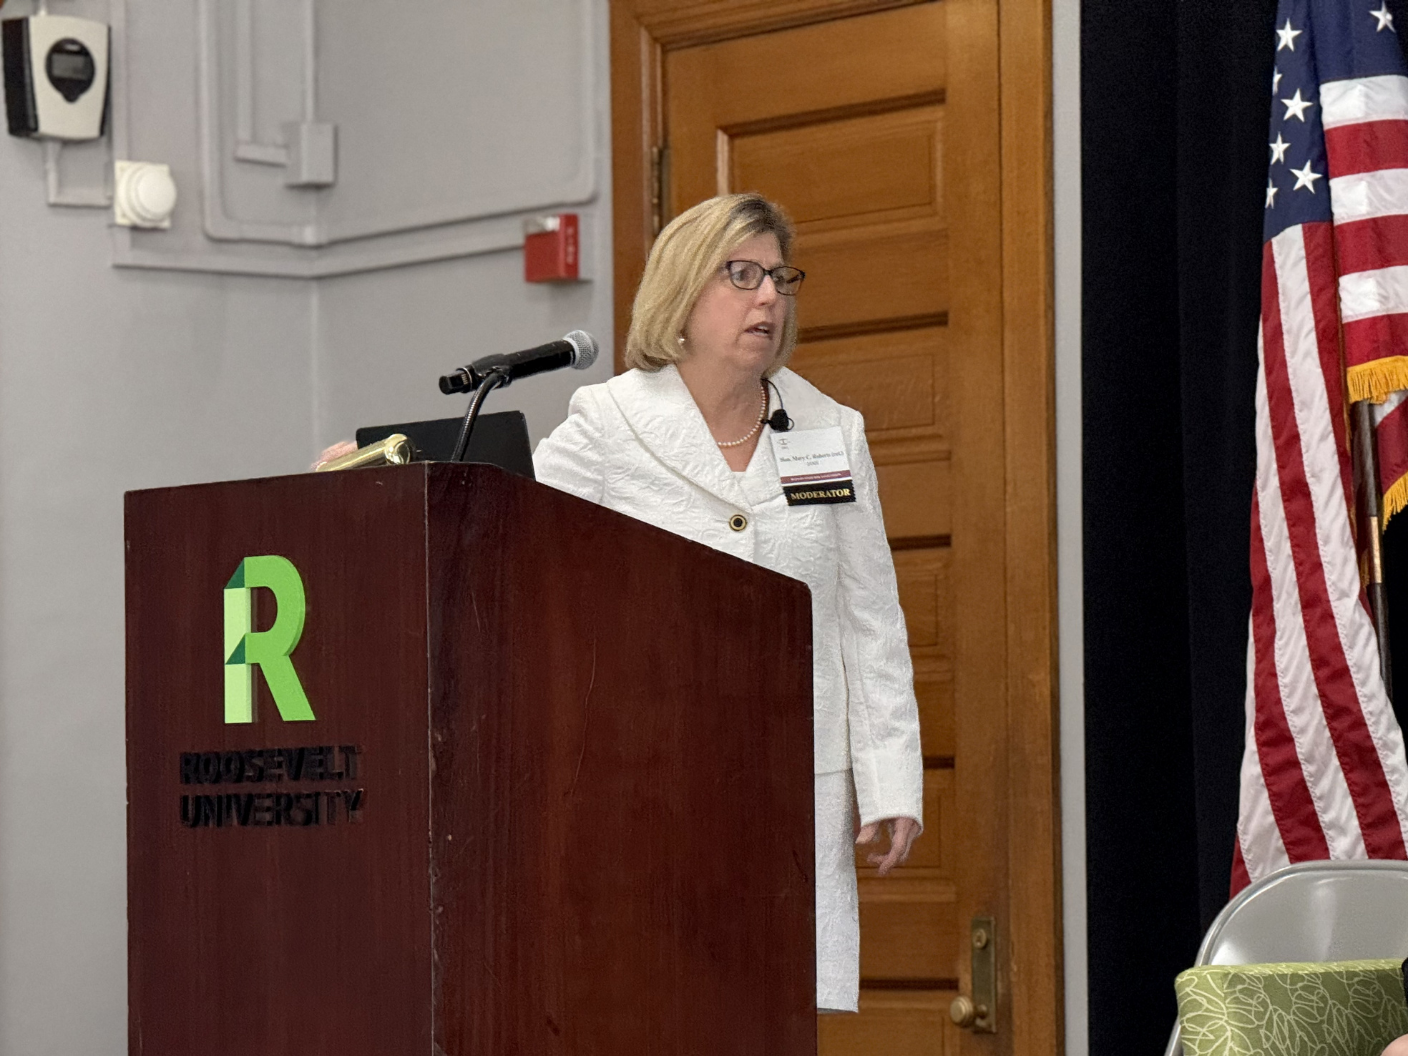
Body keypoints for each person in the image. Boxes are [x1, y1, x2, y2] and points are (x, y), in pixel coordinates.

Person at [530, 192, 923, 1013]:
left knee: (771, 1010)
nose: (768, 297)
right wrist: (398, 466)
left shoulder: (828, 429)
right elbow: (509, 535)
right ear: (681, 289)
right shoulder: (611, 423)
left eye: (780, 278)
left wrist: (891, 782)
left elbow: (868, 619)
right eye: (741, 275)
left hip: (793, 784)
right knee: (658, 1003)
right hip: (649, 780)